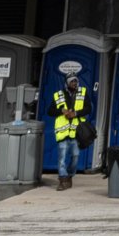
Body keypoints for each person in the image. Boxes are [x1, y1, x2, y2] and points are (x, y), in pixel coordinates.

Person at [47, 60, 93, 191]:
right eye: (72, 81)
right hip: (62, 133)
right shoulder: (59, 95)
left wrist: (76, 114)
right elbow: (50, 111)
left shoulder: (83, 92)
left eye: (76, 81)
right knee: (61, 158)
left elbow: (89, 108)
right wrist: (61, 111)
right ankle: (62, 180)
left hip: (75, 132)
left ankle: (69, 175)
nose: (75, 83)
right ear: (67, 83)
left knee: (75, 157)